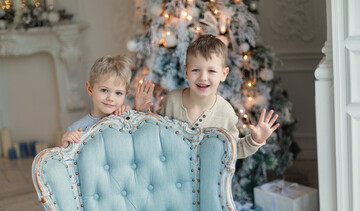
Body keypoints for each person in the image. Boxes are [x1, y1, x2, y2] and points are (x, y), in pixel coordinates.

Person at [135, 34, 280, 158]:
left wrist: (255, 140)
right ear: (186, 72)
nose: (203, 77)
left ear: (224, 74)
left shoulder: (226, 112)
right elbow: (155, 133)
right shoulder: (172, 100)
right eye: (196, 70)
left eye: (211, 71)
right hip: (172, 181)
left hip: (203, 184)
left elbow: (233, 149)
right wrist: (143, 112)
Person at [61, 55, 132, 148]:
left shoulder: (128, 119)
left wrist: (140, 110)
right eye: (104, 90)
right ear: (90, 89)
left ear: (125, 94)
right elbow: (69, 161)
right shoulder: (76, 130)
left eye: (118, 93)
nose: (111, 98)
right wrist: (65, 146)